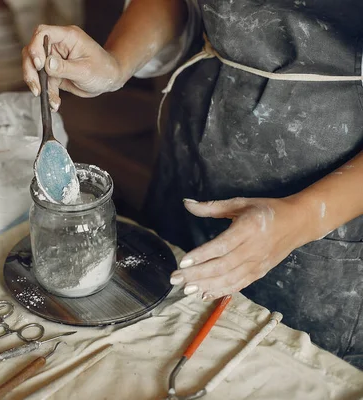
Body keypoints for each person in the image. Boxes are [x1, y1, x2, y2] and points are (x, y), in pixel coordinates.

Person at [21, 0, 363, 369]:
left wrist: (301, 219)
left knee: (278, 367)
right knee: (158, 343)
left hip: (325, 201)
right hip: (194, 144)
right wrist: (116, 62)